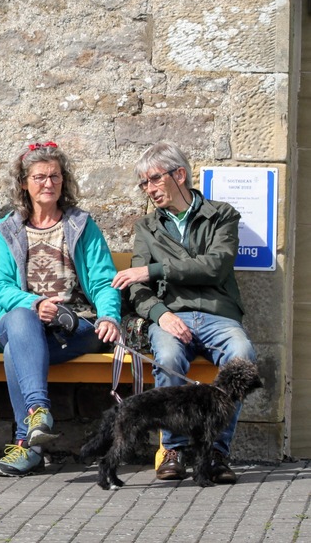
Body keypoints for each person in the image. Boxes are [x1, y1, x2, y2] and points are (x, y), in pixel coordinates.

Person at [111, 141, 256, 484]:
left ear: (180, 174)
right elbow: (135, 286)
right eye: (144, 184)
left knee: (242, 354)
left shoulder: (222, 214)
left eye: (154, 179)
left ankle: (217, 452)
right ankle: (172, 450)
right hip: (170, 316)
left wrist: (155, 270)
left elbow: (215, 267)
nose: (150, 189)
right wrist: (160, 314)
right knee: (169, 356)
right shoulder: (147, 227)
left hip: (218, 314)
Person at [0, 142, 121, 477]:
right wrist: (35, 304)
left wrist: (109, 317)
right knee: (20, 319)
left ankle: (27, 445)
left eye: (56, 176)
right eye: (40, 177)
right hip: (20, 322)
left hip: (74, 326)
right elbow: (0, 286)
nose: (49, 183)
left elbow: (104, 281)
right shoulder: (7, 229)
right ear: (23, 183)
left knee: (13, 355)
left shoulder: (80, 225)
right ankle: (39, 410)